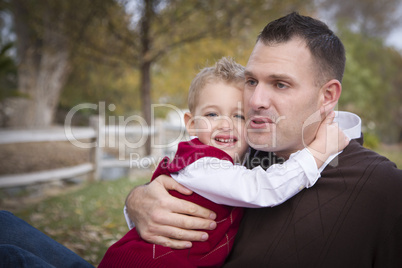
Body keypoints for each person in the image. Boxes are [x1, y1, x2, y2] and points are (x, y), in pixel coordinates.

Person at [125, 12, 402, 267]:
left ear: (327, 96)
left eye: (280, 84)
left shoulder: (382, 187)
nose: (255, 101)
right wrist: (136, 202)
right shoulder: (239, 152)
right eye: (251, 81)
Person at [99, 57, 348, 267]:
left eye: (239, 115)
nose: (225, 124)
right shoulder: (201, 163)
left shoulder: (235, 161)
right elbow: (263, 189)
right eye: (212, 114)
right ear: (192, 123)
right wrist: (318, 152)